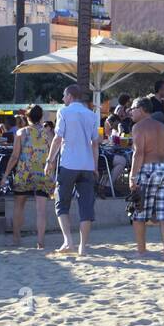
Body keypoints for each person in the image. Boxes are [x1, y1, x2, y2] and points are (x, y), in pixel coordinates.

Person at [45, 85, 101, 257]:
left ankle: (68, 241)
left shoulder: (64, 112)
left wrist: (50, 160)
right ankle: (83, 247)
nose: (63, 99)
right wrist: (95, 166)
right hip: (86, 165)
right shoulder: (92, 115)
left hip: (69, 163)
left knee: (61, 203)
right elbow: (95, 143)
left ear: (70, 96)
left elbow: (58, 138)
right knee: (86, 207)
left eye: (64, 95)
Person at [128, 95, 164, 261]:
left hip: (146, 169)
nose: (131, 112)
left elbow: (139, 153)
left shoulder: (138, 127)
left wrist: (132, 176)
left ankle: (141, 251)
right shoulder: (163, 128)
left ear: (142, 110)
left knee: (139, 212)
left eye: (133, 108)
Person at [1, 104, 54, 250]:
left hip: (24, 173)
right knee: (41, 210)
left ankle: (16, 238)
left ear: (27, 117)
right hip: (42, 173)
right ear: (41, 117)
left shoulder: (21, 133)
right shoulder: (48, 134)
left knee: (19, 206)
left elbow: (15, 156)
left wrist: (5, 174)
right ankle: (40, 242)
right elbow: (53, 156)